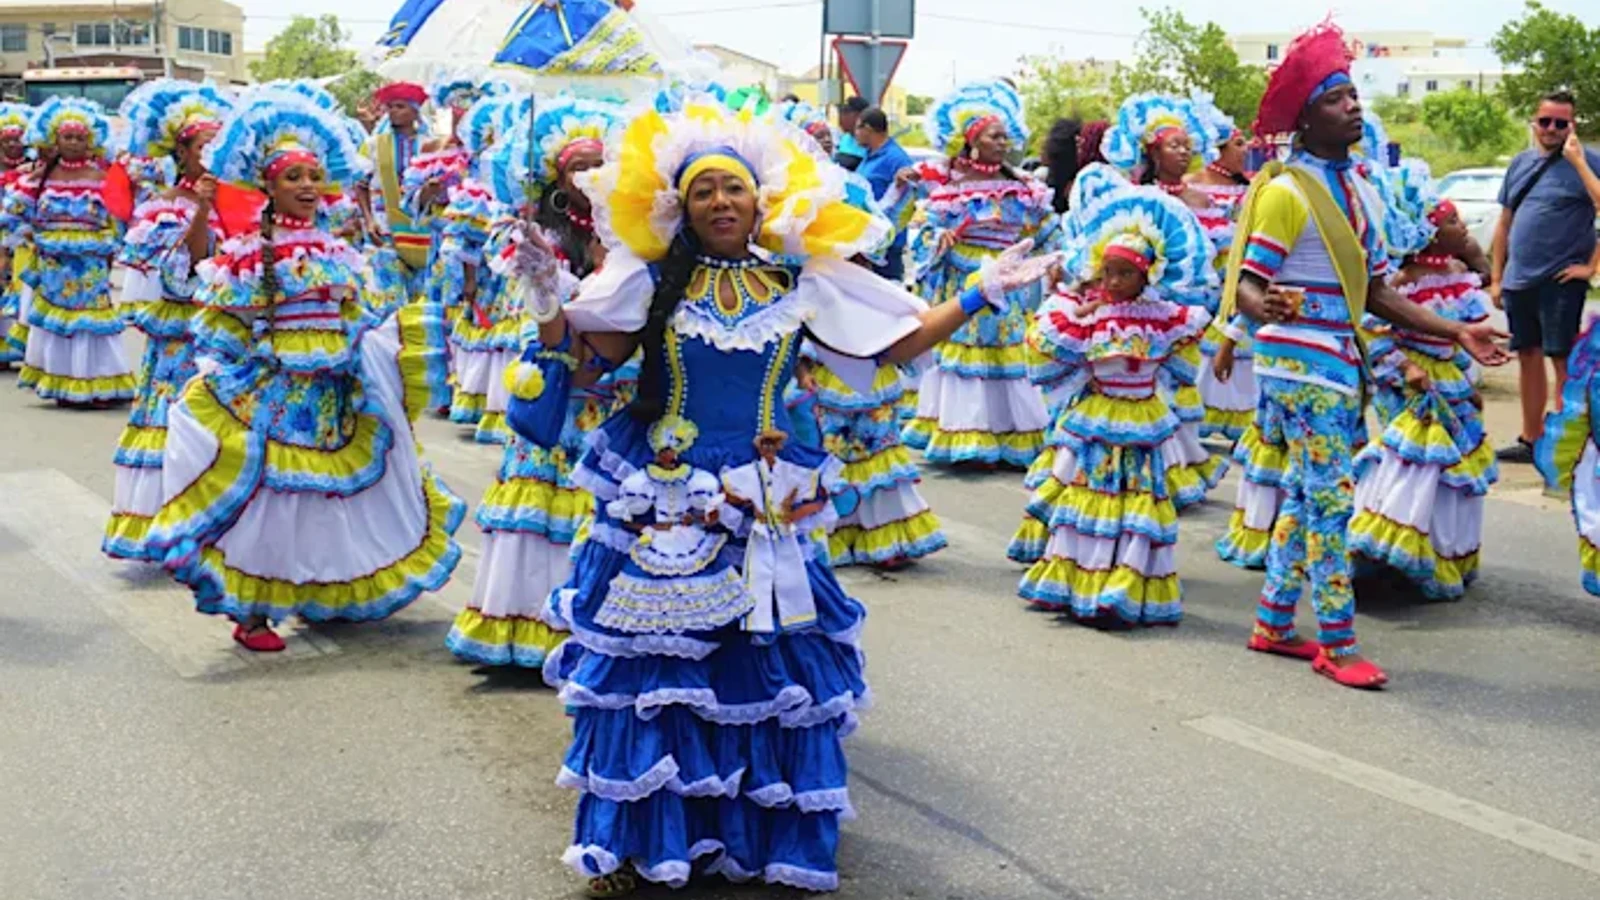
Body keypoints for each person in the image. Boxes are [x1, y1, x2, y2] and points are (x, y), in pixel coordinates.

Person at [501, 90, 1057, 896]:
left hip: (768, 487)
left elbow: (896, 340)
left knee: (767, 660)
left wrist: (979, 292)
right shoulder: (654, 279)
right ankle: (661, 834)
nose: (721, 202)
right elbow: (588, 366)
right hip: (670, 490)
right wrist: (550, 304)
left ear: (762, 197)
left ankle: (751, 830)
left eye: (733, 188)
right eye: (703, 191)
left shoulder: (799, 277)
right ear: (677, 206)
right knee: (665, 672)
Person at [1222, 21, 1508, 689]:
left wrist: (1455, 331)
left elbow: (1377, 291)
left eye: (1353, 95)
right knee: (1330, 502)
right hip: (1300, 365)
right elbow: (1247, 283)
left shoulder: (1357, 190)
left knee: (1304, 493)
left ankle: (1272, 623)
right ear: (1304, 118)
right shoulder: (1290, 192)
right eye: (1335, 97)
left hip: (1336, 359)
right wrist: (1265, 307)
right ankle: (1338, 642)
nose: (1353, 106)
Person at [142, 88, 465, 652]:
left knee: (324, 498)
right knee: (276, 499)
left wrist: (385, 349)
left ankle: (320, 591)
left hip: (335, 392)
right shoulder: (247, 253)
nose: (309, 186)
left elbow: (356, 315)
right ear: (268, 186)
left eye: (315, 174)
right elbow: (225, 330)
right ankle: (254, 611)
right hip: (277, 395)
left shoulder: (339, 249)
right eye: (294, 176)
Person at [444, 93, 629, 670]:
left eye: (599, 164)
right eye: (578, 167)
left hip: (613, 385)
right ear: (557, 175)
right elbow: (545, 322)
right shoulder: (537, 233)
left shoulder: (634, 227)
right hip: (557, 380)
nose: (590, 176)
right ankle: (526, 628)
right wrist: (544, 275)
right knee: (545, 497)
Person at [1017, 182, 1217, 626]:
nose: (1111, 282)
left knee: (1138, 501)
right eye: (1105, 272)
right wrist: (1077, 306)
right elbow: (1052, 337)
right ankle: (1080, 580)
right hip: (1101, 415)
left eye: (1123, 274)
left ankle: (1125, 584)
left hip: (1143, 416)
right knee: (1091, 495)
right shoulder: (1093, 315)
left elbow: (1191, 336)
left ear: (1147, 275)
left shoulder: (1165, 315)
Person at [1349, 159, 1498, 602]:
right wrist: (1405, 368)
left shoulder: (1458, 276)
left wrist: (1470, 380)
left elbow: (1470, 330)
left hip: (1451, 382)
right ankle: (1391, 549)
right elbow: (1374, 332)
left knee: (1454, 471)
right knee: (1411, 466)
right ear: (1427, 232)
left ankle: (1441, 552)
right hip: (1412, 387)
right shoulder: (1402, 281)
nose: (1463, 225)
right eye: (1451, 220)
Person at [892, 79, 1060, 469]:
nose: (1003, 142)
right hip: (964, 279)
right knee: (965, 353)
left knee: (1006, 351)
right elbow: (923, 228)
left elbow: (1045, 227)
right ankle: (966, 435)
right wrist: (940, 238)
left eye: (1006, 136)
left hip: (1008, 276)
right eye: (994, 136)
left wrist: (1060, 260)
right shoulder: (951, 185)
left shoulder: (1023, 186)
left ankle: (1009, 432)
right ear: (972, 141)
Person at [102, 80, 234, 562]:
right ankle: (175, 527)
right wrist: (201, 207)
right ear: (183, 153)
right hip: (181, 335)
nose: (212, 155)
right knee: (178, 422)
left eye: (220, 146)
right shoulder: (162, 208)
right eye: (204, 146)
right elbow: (186, 274)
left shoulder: (236, 202)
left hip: (222, 334)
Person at [1099, 93, 1229, 505]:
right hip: (1142, 310)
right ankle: (1142, 474)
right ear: (1152, 150)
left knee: (1181, 387)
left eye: (1188, 143)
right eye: (1174, 144)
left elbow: (1222, 257)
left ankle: (1177, 470)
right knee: (1146, 390)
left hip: (1189, 311)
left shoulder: (1204, 199)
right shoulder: (1133, 198)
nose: (1184, 150)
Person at [0, 97, 135, 407]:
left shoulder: (103, 178)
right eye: (67, 137)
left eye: (79, 138)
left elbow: (120, 218)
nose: (73, 143)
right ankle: (62, 382)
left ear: (91, 141)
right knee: (57, 322)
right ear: (54, 140)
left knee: (90, 320)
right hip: (52, 265)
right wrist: (31, 237)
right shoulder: (40, 177)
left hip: (90, 264)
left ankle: (97, 381)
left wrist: (108, 247)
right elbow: (13, 212)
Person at [1490, 89, 1600, 463]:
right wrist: (1496, 277)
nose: (1551, 129)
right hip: (1520, 279)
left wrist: (1590, 267)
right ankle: (1531, 437)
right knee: (1527, 355)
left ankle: (1565, 443)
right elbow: (1504, 223)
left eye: (1561, 123)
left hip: (1561, 279)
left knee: (1562, 358)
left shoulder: (1588, 161)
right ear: (1534, 122)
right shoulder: (1520, 163)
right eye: (1545, 121)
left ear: (1572, 125)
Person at [362, 81, 432, 286]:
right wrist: (368, 220)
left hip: (420, 224)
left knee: (420, 283)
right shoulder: (373, 145)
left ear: (415, 112)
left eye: (400, 107)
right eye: (390, 107)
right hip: (383, 222)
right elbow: (360, 184)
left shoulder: (429, 144)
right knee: (387, 283)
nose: (393, 112)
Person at [853, 106, 914, 282]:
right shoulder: (869, 155)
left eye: (858, 128)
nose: (855, 133)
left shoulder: (896, 158)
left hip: (887, 244)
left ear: (868, 129)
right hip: (867, 239)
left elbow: (908, 196)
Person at [0, 101, 33, 370]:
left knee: (18, 288)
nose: (13, 145)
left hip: (19, 238)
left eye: (18, 140)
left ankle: (14, 344)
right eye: (8, 140)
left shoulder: (32, 171)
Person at [834, 95, 869, 170]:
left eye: (845, 112)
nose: (841, 117)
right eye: (840, 112)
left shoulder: (870, 141)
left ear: (859, 115)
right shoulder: (845, 138)